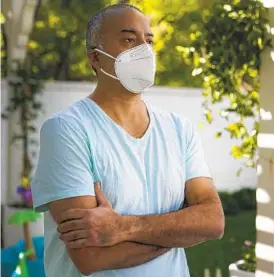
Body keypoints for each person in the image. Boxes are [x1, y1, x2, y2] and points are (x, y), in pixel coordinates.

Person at [30, 3, 224, 277]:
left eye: (148, 40)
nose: (143, 50)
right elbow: (91, 257)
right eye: (129, 39)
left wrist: (122, 228)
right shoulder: (66, 130)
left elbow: (212, 221)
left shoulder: (180, 129)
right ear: (95, 59)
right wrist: (178, 230)